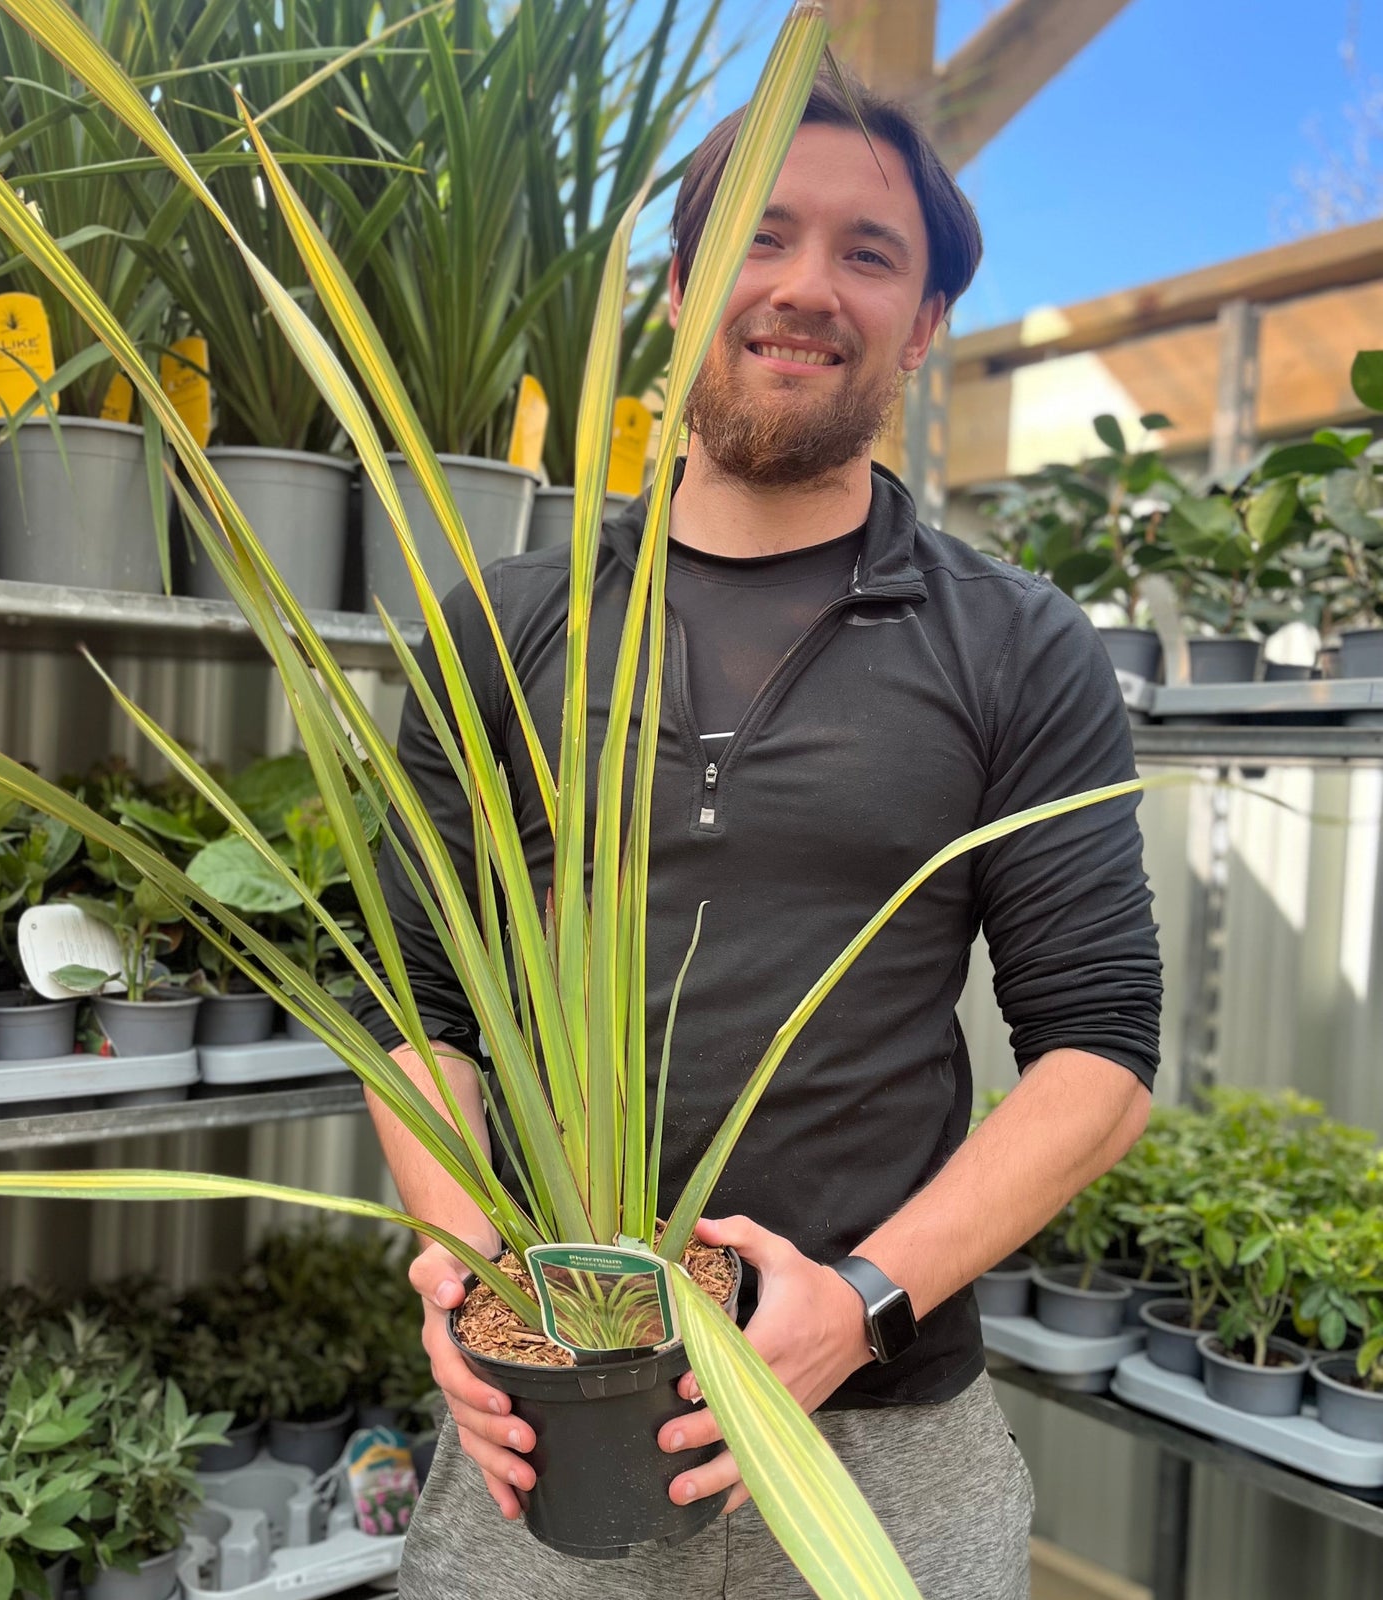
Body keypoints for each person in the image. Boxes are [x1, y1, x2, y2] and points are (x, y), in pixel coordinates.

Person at [353, 63, 1160, 1600]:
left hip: (882, 1452)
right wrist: (472, 1277)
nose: (805, 287)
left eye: (870, 253)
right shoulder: (508, 628)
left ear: (925, 327)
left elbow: (1101, 1053)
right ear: (678, 287)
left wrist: (856, 1304)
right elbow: (420, 1009)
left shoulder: (1017, 645)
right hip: (544, 1431)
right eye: (760, 238)